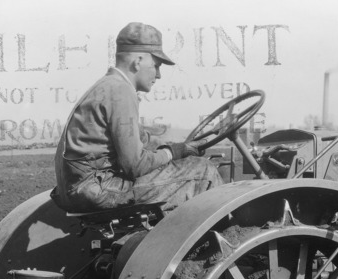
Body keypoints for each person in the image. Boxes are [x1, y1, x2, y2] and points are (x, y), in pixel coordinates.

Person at [53, 22, 222, 214]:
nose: (158, 75)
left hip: (78, 188)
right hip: (98, 188)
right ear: (138, 61)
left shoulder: (107, 86)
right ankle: (229, 234)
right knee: (204, 170)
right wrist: (170, 153)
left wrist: (180, 148)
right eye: (156, 66)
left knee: (184, 165)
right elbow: (135, 166)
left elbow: (140, 139)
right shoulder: (121, 92)